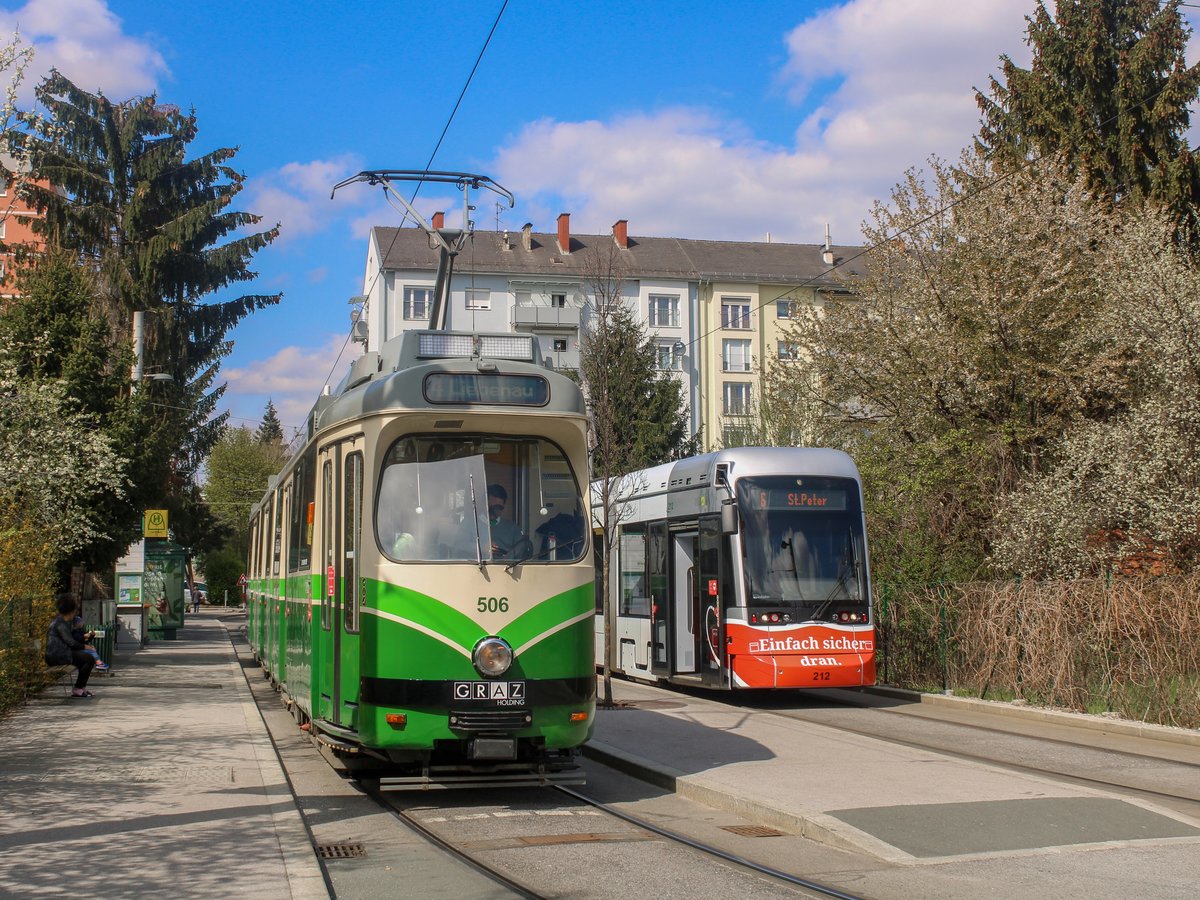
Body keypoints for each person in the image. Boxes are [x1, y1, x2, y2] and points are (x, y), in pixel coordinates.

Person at [45, 594, 97, 698]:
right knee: (89, 659)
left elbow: (73, 640)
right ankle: (78, 688)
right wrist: (86, 647)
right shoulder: (60, 623)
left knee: (86, 659)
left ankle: (80, 688)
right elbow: (71, 642)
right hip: (56, 656)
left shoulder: (63, 622)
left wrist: (86, 640)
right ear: (71, 611)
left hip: (62, 654)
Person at [486, 484, 526, 557]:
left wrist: (507, 557)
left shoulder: (512, 527)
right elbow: (460, 545)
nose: (496, 510)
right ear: (485, 503)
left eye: (499, 507)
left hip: (507, 567)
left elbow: (521, 548)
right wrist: (482, 547)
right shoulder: (472, 525)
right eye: (493, 507)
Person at [69, 602, 108, 673]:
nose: (82, 623)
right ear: (77, 623)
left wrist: (92, 635)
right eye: (80, 622)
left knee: (92, 650)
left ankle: (98, 663)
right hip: (76, 649)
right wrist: (85, 636)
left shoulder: (80, 630)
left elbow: (86, 640)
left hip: (80, 648)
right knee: (91, 651)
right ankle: (99, 663)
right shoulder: (74, 631)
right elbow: (78, 638)